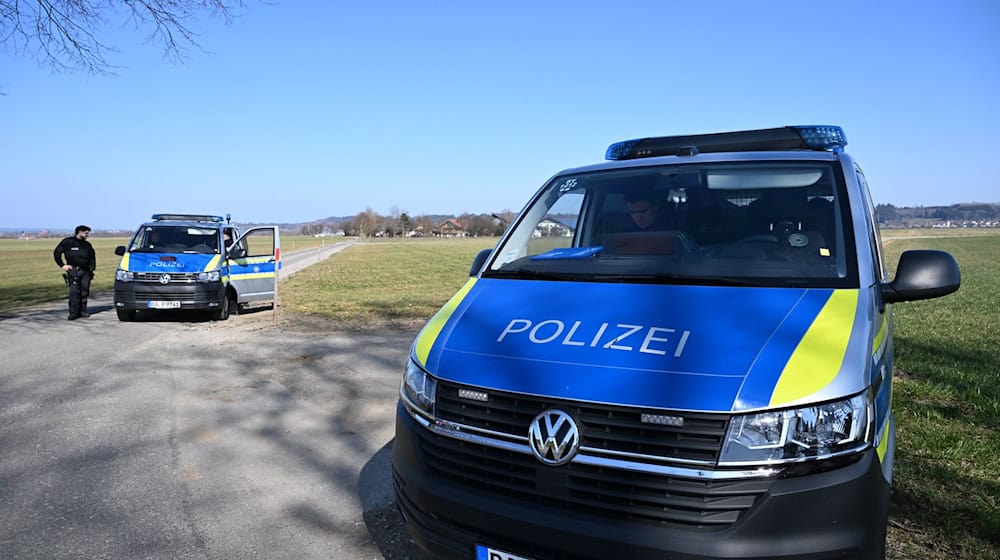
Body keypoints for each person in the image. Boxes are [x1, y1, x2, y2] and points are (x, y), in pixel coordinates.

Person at [54, 225, 96, 320]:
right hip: (73, 271)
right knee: (74, 292)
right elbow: (57, 253)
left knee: (84, 292)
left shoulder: (87, 245)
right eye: (86, 233)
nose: (87, 235)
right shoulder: (68, 242)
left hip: (85, 272)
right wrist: (62, 265)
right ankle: (73, 313)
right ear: (79, 232)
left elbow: (92, 257)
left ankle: (83, 311)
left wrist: (92, 269)